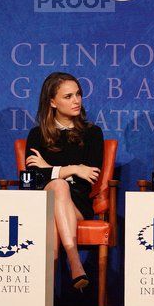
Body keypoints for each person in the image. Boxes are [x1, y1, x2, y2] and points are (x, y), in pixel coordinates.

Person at [25, 72, 103, 291]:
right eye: (68, 96)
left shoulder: (93, 133)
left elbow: (91, 175)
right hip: (43, 204)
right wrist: (74, 169)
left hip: (78, 204)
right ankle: (74, 261)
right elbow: (32, 178)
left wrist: (49, 169)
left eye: (78, 94)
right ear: (52, 102)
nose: (76, 100)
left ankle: (44, 291)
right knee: (58, 189)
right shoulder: (36, 135)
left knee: (58, 187)